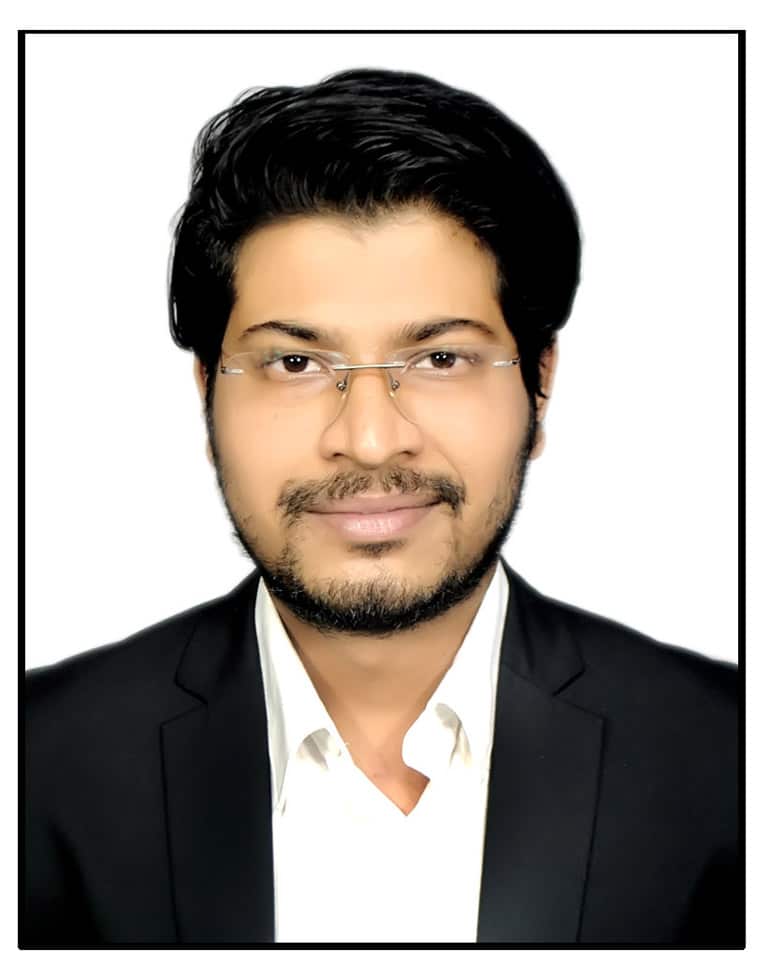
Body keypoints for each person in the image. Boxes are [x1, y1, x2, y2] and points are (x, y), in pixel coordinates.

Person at [23, 68, 740, 946]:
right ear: (208, 393)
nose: (369, 441)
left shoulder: (732, 760)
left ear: (540, 385)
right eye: (295, 363)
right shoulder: (35, 765)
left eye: (440, 359)